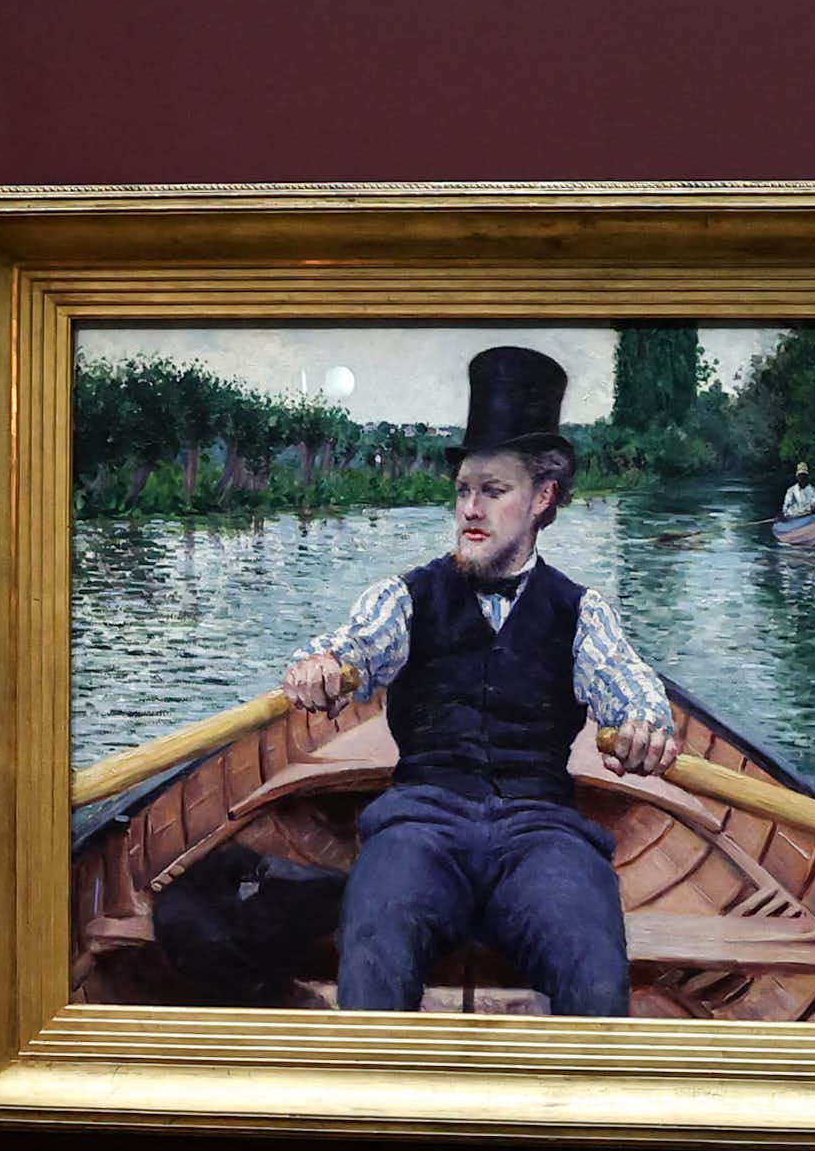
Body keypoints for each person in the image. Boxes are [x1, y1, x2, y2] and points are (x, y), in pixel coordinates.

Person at [277, 345, 681, 1015]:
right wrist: (318, 666)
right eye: (464, 490)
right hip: (420, 823)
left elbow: (632, 691)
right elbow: (352, 647)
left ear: (542, 497)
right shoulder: (405, 597)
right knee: (373, 946)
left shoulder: (582, 610)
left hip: (542, 832)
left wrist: (645, 729)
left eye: (493, 491)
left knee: (594, 964)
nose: (470, 508)